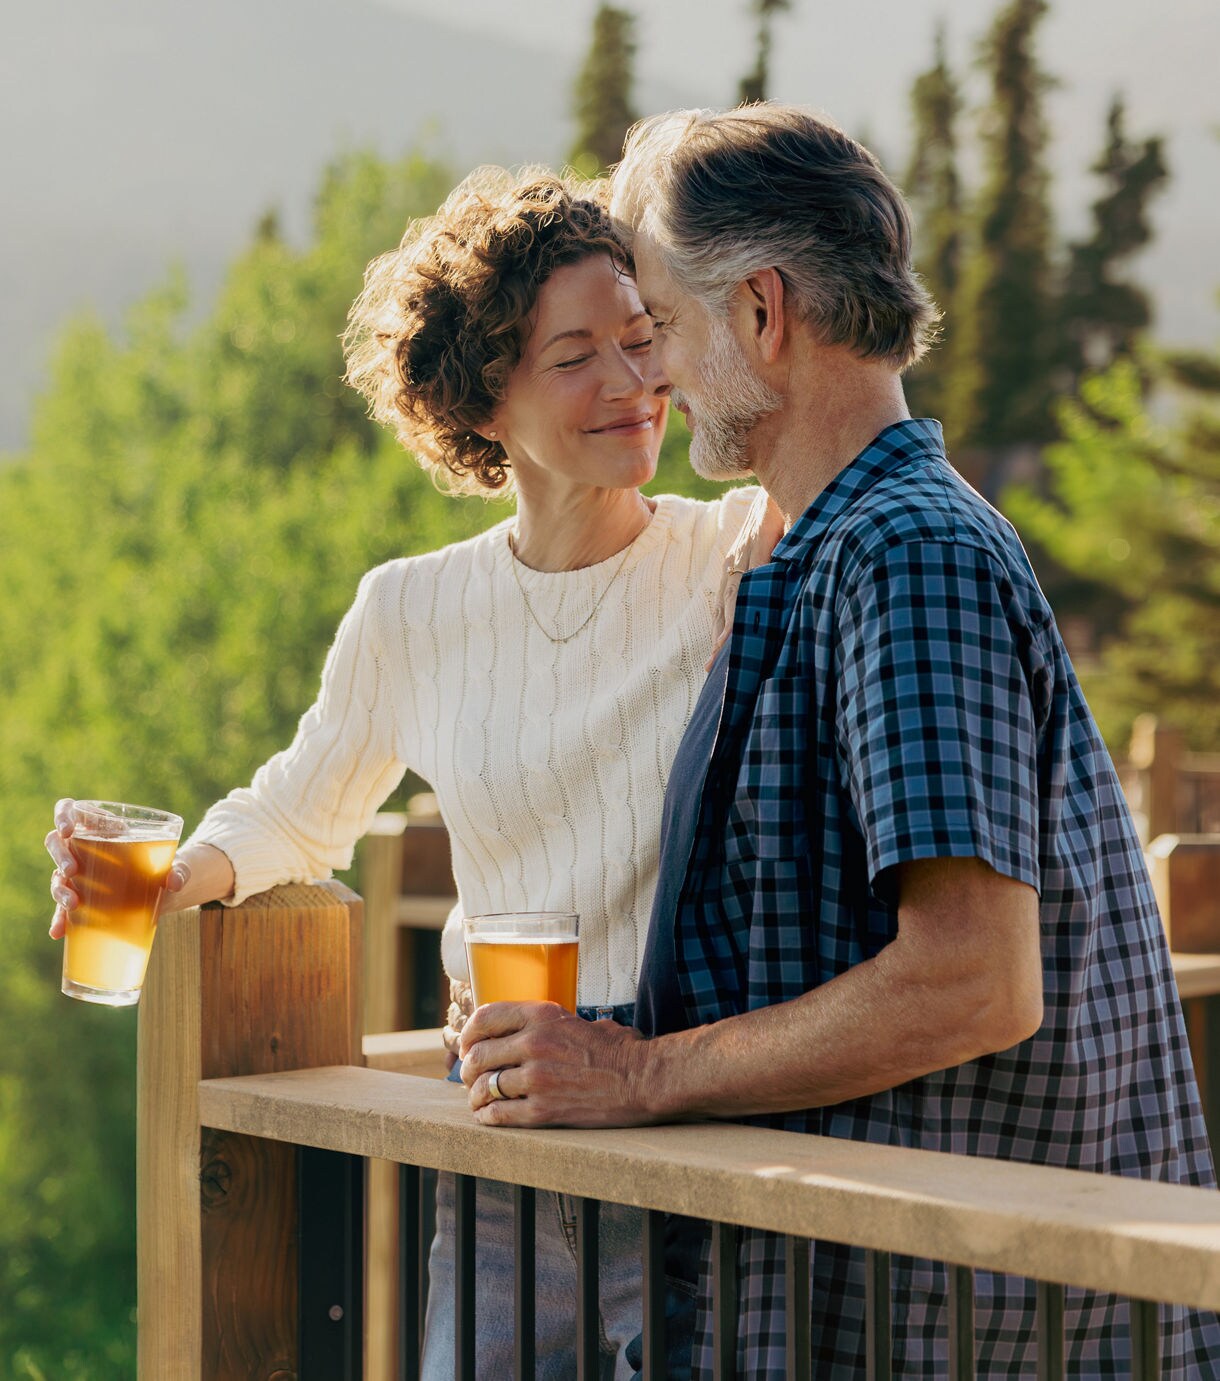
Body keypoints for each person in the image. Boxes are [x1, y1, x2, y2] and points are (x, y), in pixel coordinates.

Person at [457, 106, 1220, 1378]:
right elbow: (799, 951)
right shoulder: (820, 547)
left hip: (964, 1332)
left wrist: (637, 1073)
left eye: (662, 328)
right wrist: (568, 1046)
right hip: (872, 1308)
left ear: (761, 313)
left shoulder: (903, 554)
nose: (649, 377)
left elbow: (974, 977)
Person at [45, 165, 772, 1381]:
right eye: (575, 355)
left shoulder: (735, 555)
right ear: (485, 400)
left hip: (682, 1110)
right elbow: (300, 808)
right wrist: (179, 878)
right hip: (496, 1113)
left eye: (642, 341)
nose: (633, 383)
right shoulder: (412, 608)